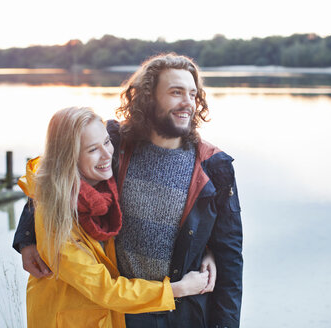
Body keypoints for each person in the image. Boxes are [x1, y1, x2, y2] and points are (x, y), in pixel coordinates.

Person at [14, 53, 243, 328]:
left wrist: (208, 254)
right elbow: (53, 171)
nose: (187, 103)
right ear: (148, 97)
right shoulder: (115, 143)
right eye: (175, 92)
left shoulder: (215, 166)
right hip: (123, 313)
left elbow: (230, 258)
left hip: (186, 312)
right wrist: (27, 236)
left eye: (193, 94)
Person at [19, 107, 209, 328]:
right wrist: (178, 289)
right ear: (68, 157)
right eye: (92, 150)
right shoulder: (55, 218)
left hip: (104, 318)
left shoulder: (102, 188)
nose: (107, 154)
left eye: (107, 142)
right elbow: (105, 288)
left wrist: (207, 250)